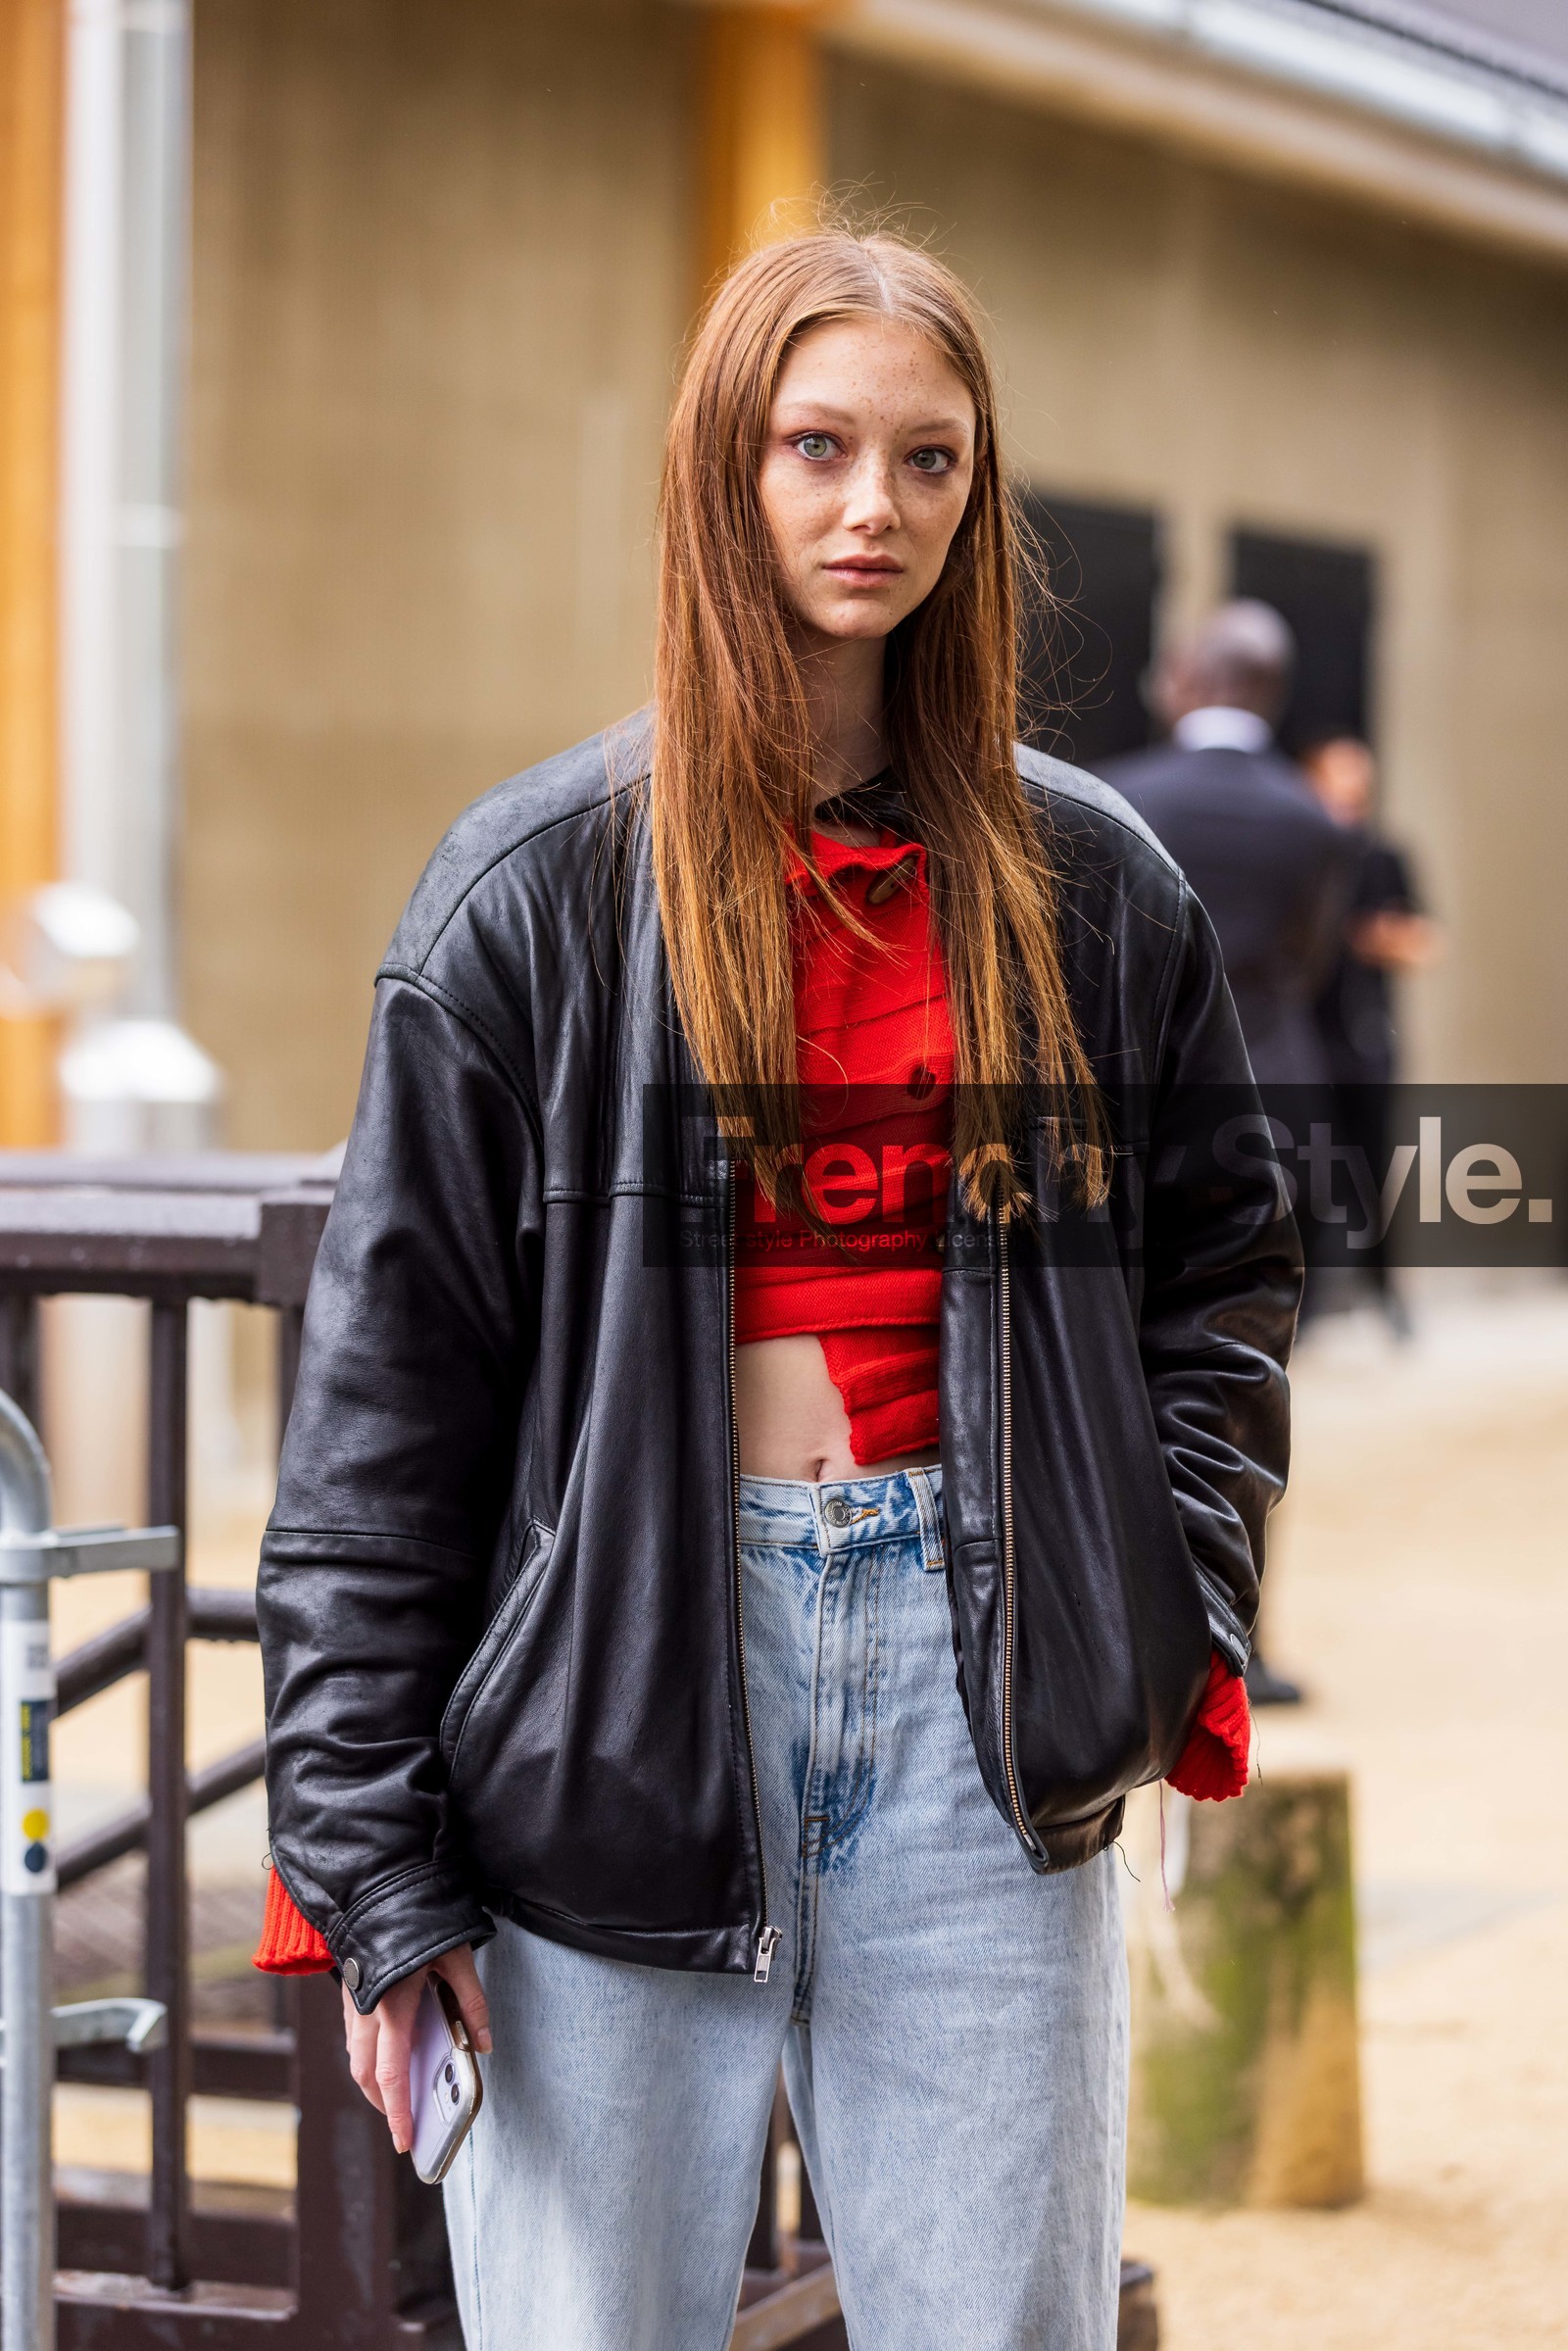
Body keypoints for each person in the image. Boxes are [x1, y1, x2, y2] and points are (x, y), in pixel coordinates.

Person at [252, 231, 1297, 2351]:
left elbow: (1222, 1268)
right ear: (722, 472)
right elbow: (387, 1412)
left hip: (973, 1698)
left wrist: (1160, 1588)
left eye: (927, 459)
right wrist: (374, 1868)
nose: (870, 508)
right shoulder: (528, 889)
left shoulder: (1093, 886)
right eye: (814, 448)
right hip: (619, 1704)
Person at [1101, 602, 1356, 1707]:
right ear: (1271, 691)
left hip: (1132, 1117)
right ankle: (1236, 1629)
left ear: (1178, 682)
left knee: (1107, 1369)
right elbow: (1308, 962)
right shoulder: (1316, 819)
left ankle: (1109, 1622)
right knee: (1248, 1380)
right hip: (1271, 1111)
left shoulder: (1114, 802)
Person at [1301, 734, 1441, 1336]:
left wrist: (1378, 938)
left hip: (1363, 1037)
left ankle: (1385, 1292)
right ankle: (1302, 1306)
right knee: (1299, 1168)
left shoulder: (1382, 858)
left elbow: (1424, 940)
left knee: (1374, 1169)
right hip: (1303, 1039)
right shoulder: (1298, 855)